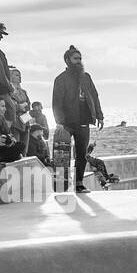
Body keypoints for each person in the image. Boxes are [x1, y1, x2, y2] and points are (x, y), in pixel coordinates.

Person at [52, 45, 105, 193]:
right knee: (62, 155)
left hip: (84, 121)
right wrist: (59, 122)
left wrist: (99, 116)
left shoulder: (86, 77)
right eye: (76, 58)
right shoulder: (60, 79)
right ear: (68, 60)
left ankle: (79, 184)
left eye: (80, 58)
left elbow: (95, 97)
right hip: (66, 123)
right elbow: (56, 102)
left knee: (82, 154)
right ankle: (60, 186)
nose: (79, 61)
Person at [8, 66, 32, 152]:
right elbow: (10, 106)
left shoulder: (24, 92)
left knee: (25, 146)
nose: (20, 77)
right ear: (11, 77)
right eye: (17, 75)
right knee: (16, 145)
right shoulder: (9, 92)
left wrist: (22, 106)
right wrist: (20, 106)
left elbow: (28, 106)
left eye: (20, 75)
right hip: (15, 120)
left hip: (25, 119)